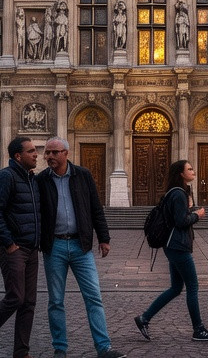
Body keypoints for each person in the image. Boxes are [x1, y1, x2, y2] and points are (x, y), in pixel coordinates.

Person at [38, 137, 126, 358]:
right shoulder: (41, 180)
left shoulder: (83, 175)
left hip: (81, 246)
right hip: (54, 246)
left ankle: (103, 347)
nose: (49, 156)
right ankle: (60, 348)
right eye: (47, 152)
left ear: (66, 153)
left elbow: (95, 208)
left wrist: (104, 238)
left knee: (93, 296)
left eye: (54, 152)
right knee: (56, 301)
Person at [0, 136, 43, 358]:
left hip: (31, 247)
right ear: (18, 156)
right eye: (31, 151)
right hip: (13, 248)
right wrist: (9, 243)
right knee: (16, 297)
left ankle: (21, 352)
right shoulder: (5, 177)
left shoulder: (31, 179)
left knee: (28, 302)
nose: (36, 154)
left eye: (35, 150)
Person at [135, 160, 208, 342]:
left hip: (172, 246)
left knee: (175, 288)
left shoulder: (173, 193)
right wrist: (197, 215)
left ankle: (144, 318)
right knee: (192, 287)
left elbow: (177, 218)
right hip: (178, 246)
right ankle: (198, 329)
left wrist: (189, 210)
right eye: (190, 169)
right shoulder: (179, 194)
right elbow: (181, 222)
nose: (193, 171)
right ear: (181, 173)